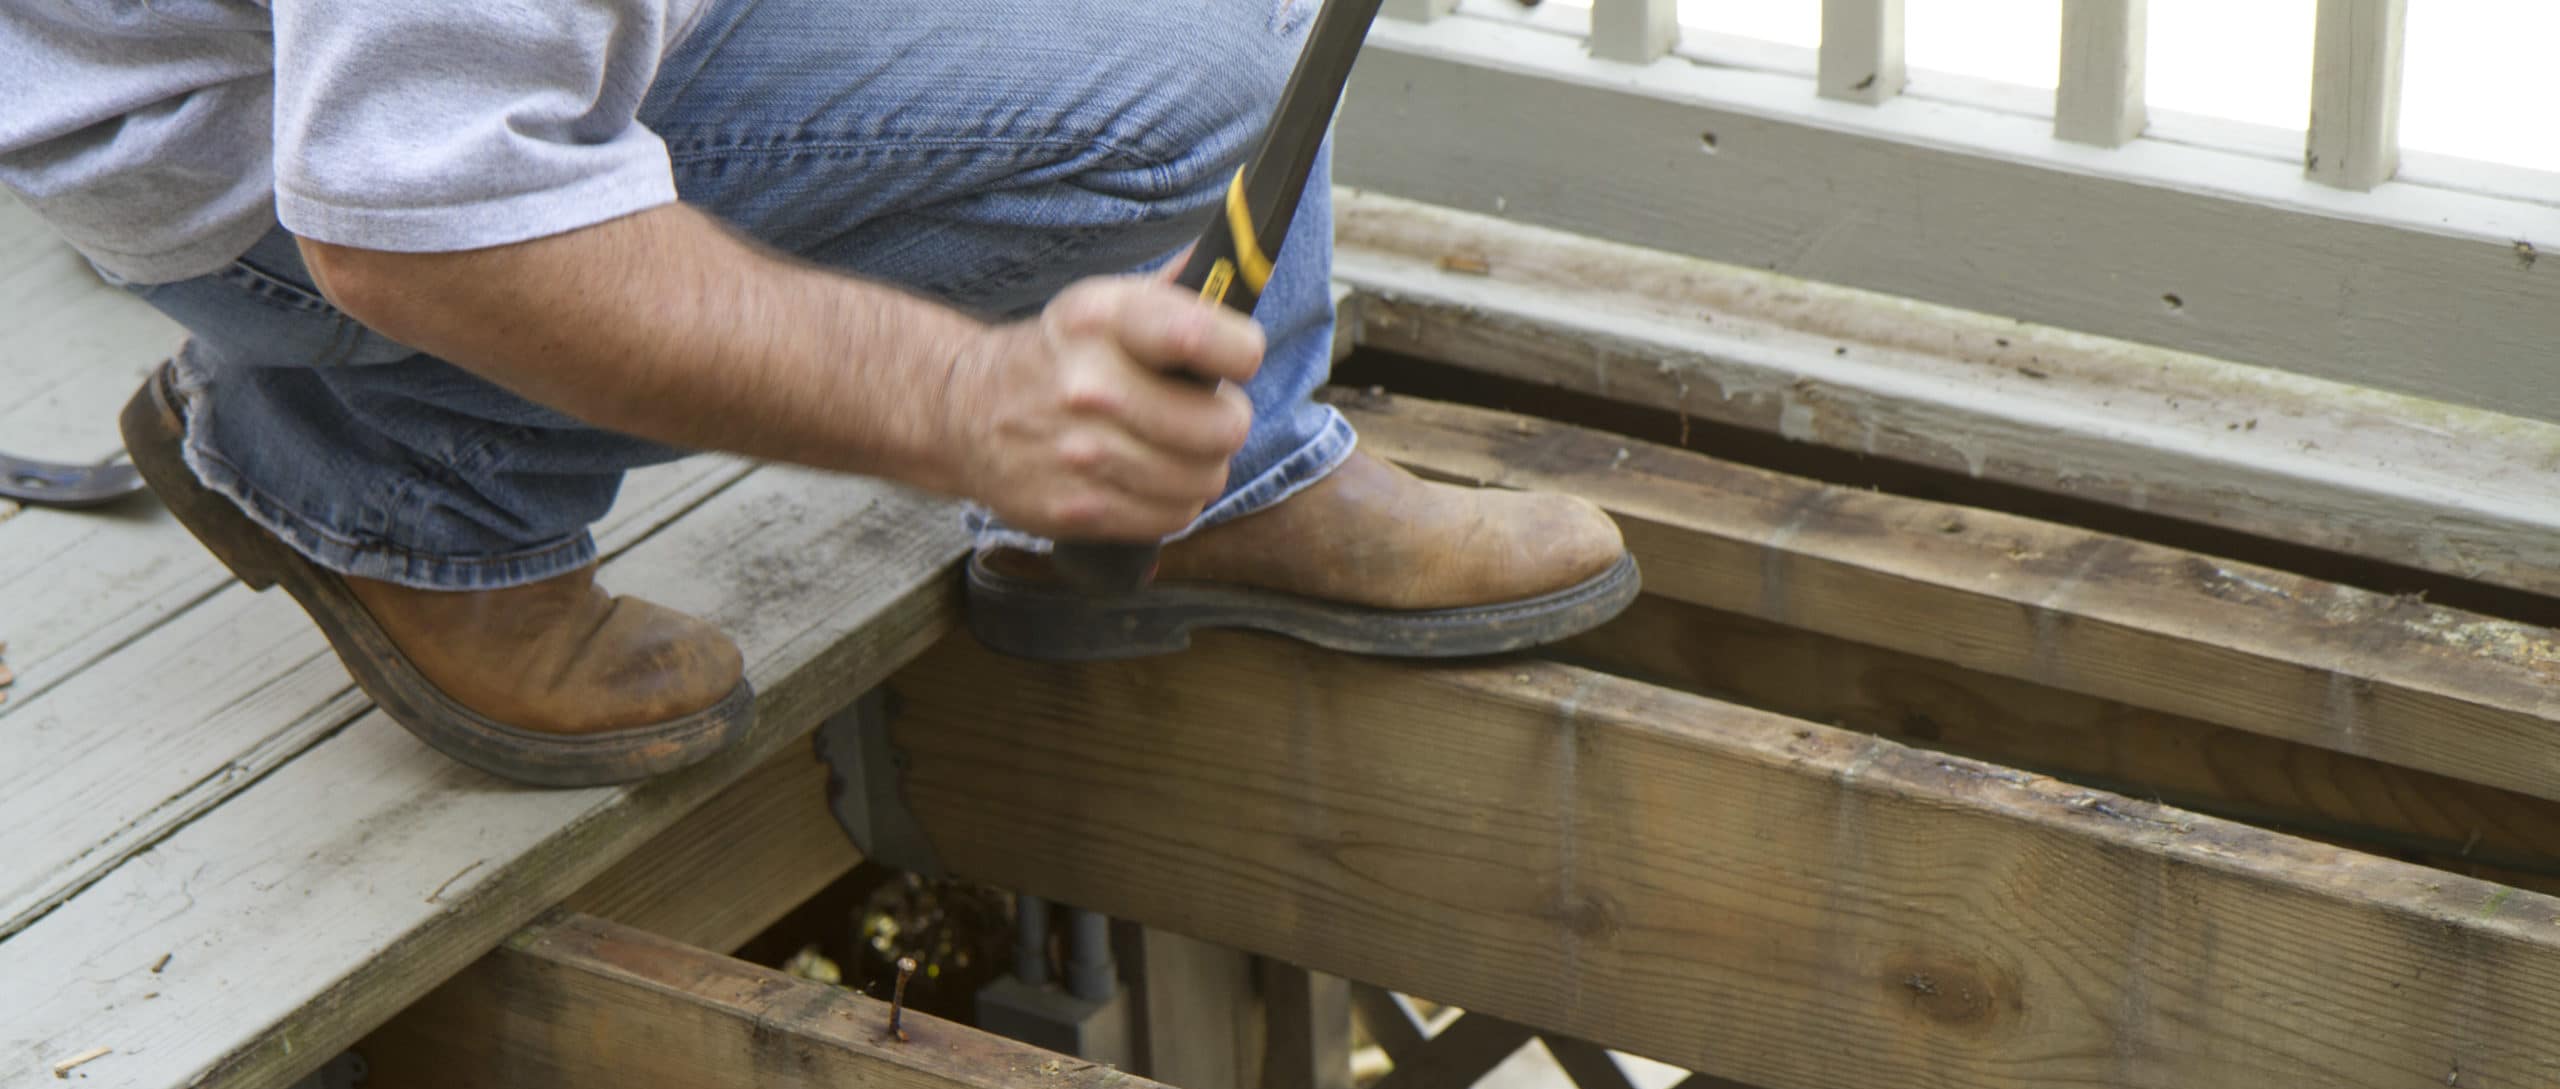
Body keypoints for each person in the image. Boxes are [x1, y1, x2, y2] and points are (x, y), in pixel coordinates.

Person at [2, 0, 1636, 786]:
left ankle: (1224, 469)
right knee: (1190, 94)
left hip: (407, 71)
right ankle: (397, 479)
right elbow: (416, 209)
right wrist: (973, 401)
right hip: (309, 182)